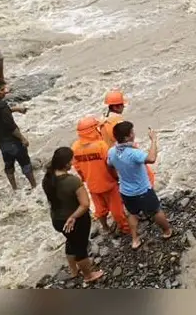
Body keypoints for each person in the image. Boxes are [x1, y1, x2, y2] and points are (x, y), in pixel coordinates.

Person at [43, 147, 105, 284]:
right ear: (66, 164)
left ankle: (73, 270)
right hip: (75, 220)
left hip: (57, 220)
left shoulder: (47, 179)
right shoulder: (72, 181)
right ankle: (89, 275)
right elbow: (85, 204)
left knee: (70, 241)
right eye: (72, 159)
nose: (73, 161)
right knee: (80, 247)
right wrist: (73, 217)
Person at [107, 121, 173, 249]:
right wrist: (153, 140)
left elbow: (109, 164)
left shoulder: (112, 152)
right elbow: (151, 158)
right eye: (132, 132)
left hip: (126, 191)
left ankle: (135, 240)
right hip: (142, 190)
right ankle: (167, 231)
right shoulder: (133, 153)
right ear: (127, 137)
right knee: (156, 211)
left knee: (132, 213)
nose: (134, 133)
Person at [72, 115, 130, 236]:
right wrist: (116, 177)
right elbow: (110, 165)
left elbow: (78, 168)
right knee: (117, 210)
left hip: (92, 185)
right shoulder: (101, 145)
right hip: (108, 183)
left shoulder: (75, 147)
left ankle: (105, 228)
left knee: (100, 210)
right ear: (93, 130)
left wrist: (85, 179)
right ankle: (125, 228)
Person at [0, 79, 35, 190]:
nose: (5, 92)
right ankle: (34, 186)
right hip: (13, 141)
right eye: (1, 90)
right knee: (25, 164)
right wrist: (23, 139)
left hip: (2, 142)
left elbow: (0, 114)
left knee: (9, 165)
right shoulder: (2, 106)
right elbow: (11, 126)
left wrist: (16, 109)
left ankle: (14, 188)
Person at [100, 90, 155, 187]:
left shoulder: (103, 121)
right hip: (125, 155)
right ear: (116, 106)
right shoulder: (117, 121)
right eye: (122, 105)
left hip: (114, 157)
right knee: (148, 176)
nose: (123, 107)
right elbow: (124, 140)